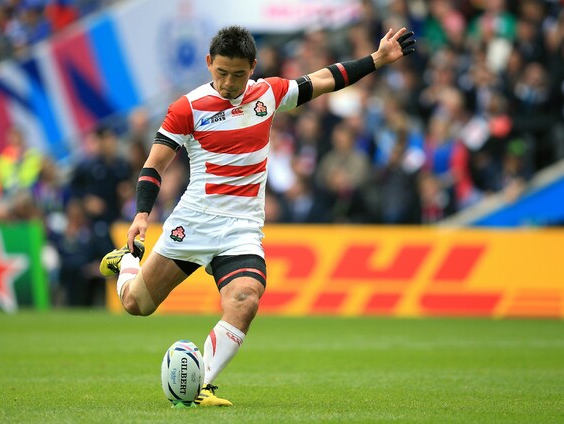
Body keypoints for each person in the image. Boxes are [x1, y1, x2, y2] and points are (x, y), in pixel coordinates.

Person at [99, 25, 416, 406]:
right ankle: (127, 263)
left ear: (252, 67)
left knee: (245, 299)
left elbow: (324, 79)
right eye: (221, 72)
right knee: (136, 304)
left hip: (242, 229)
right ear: (208, 63)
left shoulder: (268, 93)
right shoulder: (187, 107)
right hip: (194, 222)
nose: (228, 82)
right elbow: (154, 166)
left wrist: (377, 59)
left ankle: (202, 386)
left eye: (237, 74)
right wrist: (141, 214)